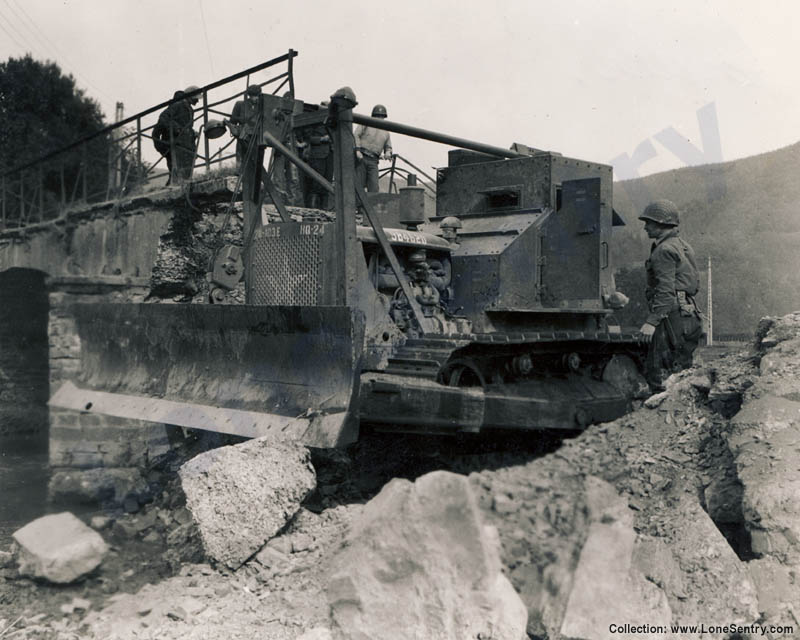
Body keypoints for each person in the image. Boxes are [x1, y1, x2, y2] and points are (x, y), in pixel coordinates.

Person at [637, 199, 704, 391]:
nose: (645, 228)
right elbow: (694, 284)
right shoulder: (682, 245)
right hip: (689, 314)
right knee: (682, 373)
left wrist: (651, 322)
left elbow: (665, 292)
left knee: (660, 376)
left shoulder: (663, 250)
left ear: (662, 223)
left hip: (671, 318)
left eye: (648, 223)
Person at [156, 86, 199, 185]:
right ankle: (175, 184)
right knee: (176, 167)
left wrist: (192, 132)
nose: (198, 101)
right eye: (196, 98)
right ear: (190, 96)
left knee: (186, 165)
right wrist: (178, 129)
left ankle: (181, 183)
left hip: (186, 142)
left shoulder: (190, 109)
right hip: (176, 142)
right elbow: (164, 117)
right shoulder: (177, 105)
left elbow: (186, 125)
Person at [354, 104, 393, 192]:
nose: (379, 118)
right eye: (377, 116)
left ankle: (371, 205)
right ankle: (356, 205)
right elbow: (356, 135)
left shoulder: (386, 132)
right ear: (373, 116)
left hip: (373, 161)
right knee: (358, 185)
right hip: (361, 158)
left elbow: (388, 146)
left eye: (381, 116)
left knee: (374, 187)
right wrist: (357, 150)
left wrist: (388, 152)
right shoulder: (365, 123)